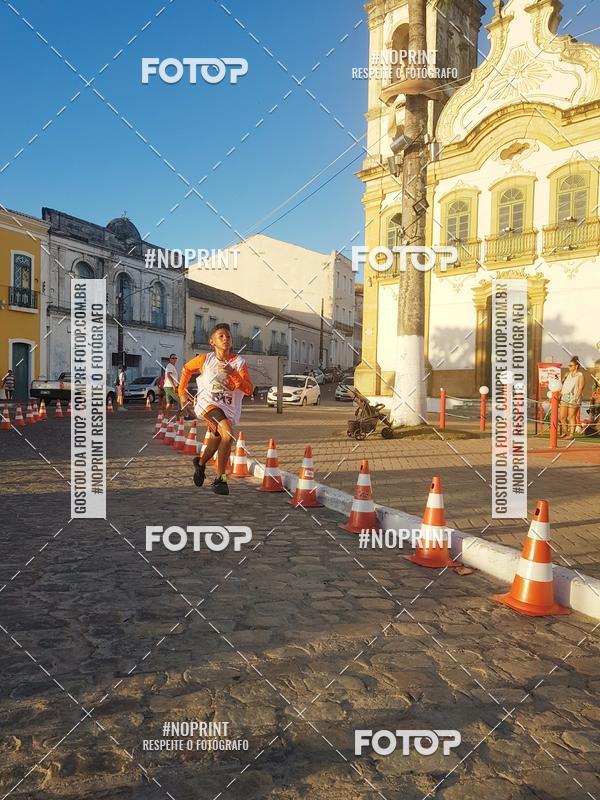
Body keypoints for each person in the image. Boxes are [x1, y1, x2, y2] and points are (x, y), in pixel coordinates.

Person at [178, 323, 253, 496]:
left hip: (228, 408)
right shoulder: (205, 359)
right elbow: (186, 369)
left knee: (216, 439)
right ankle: (221, 479)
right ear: (212, 341)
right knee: (228, 434)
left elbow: (248, 389)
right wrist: (182, 393)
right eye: (221, 336)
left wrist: (232, 373)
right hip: (207, 404)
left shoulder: (239, 363)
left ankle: (201, 463)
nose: (225, 338)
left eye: (228, 336)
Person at [559, 356, 585, 439]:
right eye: (568, 365)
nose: (569, 367)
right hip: (565, 396)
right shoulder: (567, 374)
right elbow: (562, 384)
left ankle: (571, 434)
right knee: (562, 417)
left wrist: (576, 399)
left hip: (574, 397)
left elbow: (580, 388)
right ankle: (566, 432)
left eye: (571, 365)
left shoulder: (580, 375)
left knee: (571, 416)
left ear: (576, 366)